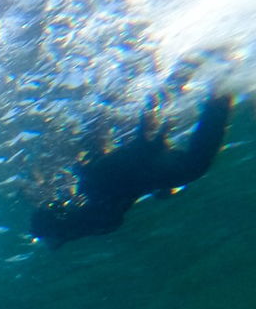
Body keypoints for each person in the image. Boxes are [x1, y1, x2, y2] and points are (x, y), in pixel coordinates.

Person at [30, 93, 232, 247]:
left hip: (122, 175)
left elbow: (110, 210)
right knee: (186, 165)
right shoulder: (74, 220)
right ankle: (218, 91)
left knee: (194, 167)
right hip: (118, 175)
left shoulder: (77, 225)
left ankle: (220, 91)